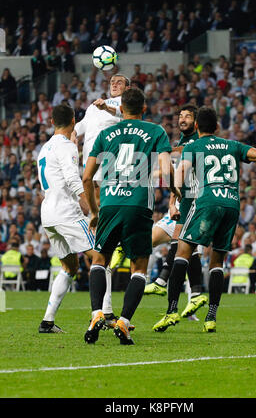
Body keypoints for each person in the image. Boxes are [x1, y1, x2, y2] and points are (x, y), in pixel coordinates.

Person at [154, 107, 256, 333]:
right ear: (217, 127)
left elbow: (181, 173)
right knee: (217, 262)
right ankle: (211, 317)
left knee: (182, 252)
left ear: (197, 126)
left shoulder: (193, 146)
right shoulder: (233, 145)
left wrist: (175, 194)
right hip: (231, 204)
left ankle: (171, 311)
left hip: (207, 202)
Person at [82, 87, 179, 345]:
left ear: (121, 109)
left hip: (110, 204)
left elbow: (87, 177)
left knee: (100, 261)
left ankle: (96, 314)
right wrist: (174, 190)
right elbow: (165, 169)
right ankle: (124, 322)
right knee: (139, 268)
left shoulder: (106, 133)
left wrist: (94, 210)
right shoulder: (156, 131)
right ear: (144, 108)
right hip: (138, 206)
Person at [36, 103, 103, 333]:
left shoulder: (44, 148)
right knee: (100, 255)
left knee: (70, 266)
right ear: (74, 122)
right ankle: (103, 314)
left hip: (48, 214)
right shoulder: (67, 147)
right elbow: (74, 180)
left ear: (52, 122)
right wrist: (91, 208)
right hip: (66, 212)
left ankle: (47, 321)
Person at [71, 74, 130, 328]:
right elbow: (78, 129)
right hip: (90, 179)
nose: (114, 84)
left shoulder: (124, 108)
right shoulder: (94, 108)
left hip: (111, 178)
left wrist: (107, 106)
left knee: (102, 246)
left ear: (128, 88)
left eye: (120, 82)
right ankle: (103, 311)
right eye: (112, 81)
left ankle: (104, 311)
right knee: (99, 247)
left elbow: (122, 114)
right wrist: (72, 138)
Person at [145, 105, 208, 325]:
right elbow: (176, 177)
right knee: (183, 249)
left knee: (183, 246)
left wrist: (162, 153)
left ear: (196, 122)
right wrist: (172, 202)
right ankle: (194, 296)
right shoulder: (181, 143)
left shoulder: (195, 142)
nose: (182, 119)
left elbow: (181, 157)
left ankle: (164, 282)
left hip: (195, 204)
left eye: (188, 116)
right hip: (181, 201)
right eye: (180, 115)